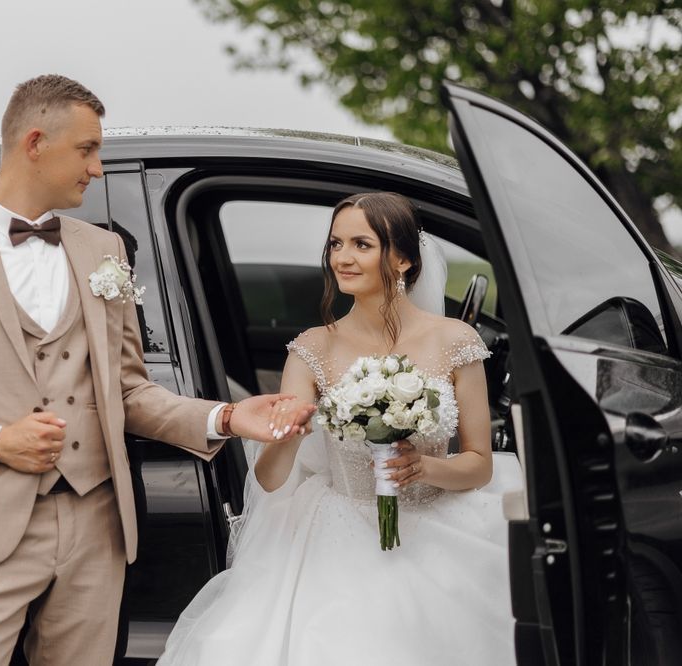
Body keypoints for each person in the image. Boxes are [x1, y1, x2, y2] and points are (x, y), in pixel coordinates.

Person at [0, 74, 312, 666]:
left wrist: (225, 417)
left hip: (96, 524)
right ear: (35, 142)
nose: (97, 168)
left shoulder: (103, 251)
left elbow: (128, 390)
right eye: (88, 149)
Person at [158, 192, 523, 665]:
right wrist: (289, 435)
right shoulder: (312, 349)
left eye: (361, 245)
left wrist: (424, 467)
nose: (343, 259)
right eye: (335, 244)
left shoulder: (456, 341)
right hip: (338, 533)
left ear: (405, 259)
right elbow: (270, 480)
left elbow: (478, 465)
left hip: (439, 529)